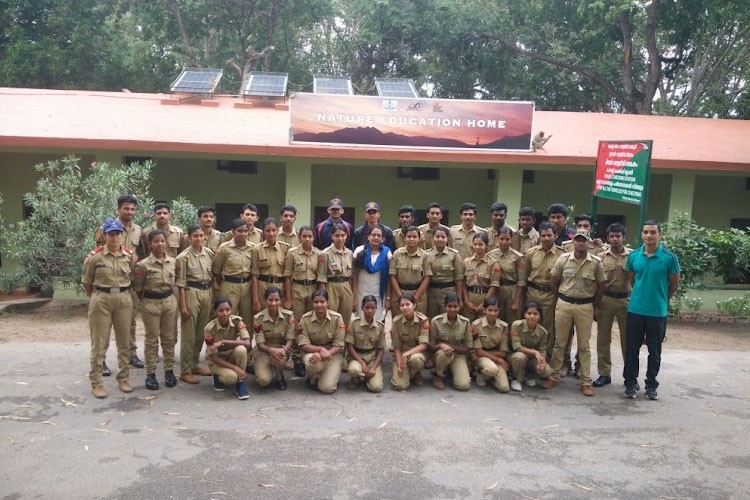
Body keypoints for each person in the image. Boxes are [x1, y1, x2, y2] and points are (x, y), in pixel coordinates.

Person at [543, 230, 606, 396]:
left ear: (588, 243)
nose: (580, 243)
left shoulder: (596, 263)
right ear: (573, 242)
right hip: (564, 304)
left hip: (585, 306)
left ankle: (585, 381)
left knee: (584, 346)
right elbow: (554, 281)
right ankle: (554, 376)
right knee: (559, 342)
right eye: (577, 240)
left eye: (583, 241)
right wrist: (561, 299)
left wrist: (594, 304)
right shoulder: (563, 260)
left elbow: (601, 286)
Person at [623, 220, 680, 400]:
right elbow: (632, 280)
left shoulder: (669, 258)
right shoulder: (634, 257)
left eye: (652, 232)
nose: (649, 235)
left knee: (654, 351)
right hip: (636, 310)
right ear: (641, 234)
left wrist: (661, 299)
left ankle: (651, 385)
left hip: (657, 312)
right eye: (645, 232)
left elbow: (673, 284)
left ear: (659, 235)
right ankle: (631, 383)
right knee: (632, 349)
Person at [82, 218, 136, 398]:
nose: (114, 238)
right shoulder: (95, 257)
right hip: (101, 299)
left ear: (122, 235)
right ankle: (96, 382)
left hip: (123, 298)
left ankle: (124, 378)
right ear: (105, 236)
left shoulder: (129, 256)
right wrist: (98, 296)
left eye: (117, 234)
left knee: (124, 341)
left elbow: (134, 278)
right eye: (111, 234)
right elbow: (87, 282)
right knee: (99, 343)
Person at [95, 194, 144, 371]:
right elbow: (98, 252)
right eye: (126, 208)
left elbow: (141, 255)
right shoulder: (106, 228)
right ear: (118, 209)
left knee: (130, 322)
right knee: (104, 324)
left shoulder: (138, 230)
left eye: (132, 209)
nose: (129, 212)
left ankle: (131, 354)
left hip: (128, 283)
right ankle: (101, 360)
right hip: (108, 281)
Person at [133, 230, 178, 390]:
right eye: (156, 241)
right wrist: (145, 302)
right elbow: (138, 287)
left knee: (168, 338)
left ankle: (169, 370)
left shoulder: (173, 262)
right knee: (151, 340)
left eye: (162, 241)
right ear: (150, 244)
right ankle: (150, 373)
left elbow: (176, 281)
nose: (160, 244)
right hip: (151, 303)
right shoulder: (143, 265)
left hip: (169, 302)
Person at [593, 223, 632, 387]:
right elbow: (595, 281)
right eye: (612, 236)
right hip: (606, 300)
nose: (615, 239)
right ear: (608, 238)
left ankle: (630, 375)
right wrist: (595, 304)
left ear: (624, 238)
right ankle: (604, 373)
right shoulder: (601, 256)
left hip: (626, 300)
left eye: (618, 236)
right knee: (603, 339)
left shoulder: (632, 256)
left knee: (628, 340)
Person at [176, 224, 214, 384]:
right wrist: (183, 307)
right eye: (195, 236)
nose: (198, 239)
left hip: (207, 292)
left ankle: (195, 364)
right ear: (189, 237)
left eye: (201, 236)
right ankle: (185, 370)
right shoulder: (183, 257)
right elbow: (181, 284)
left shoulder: (209, 254)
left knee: (200, 333)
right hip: (191, 293)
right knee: (188, 335)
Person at [522, 222, 564, 360]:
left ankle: (546, 358)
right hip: (532, 293)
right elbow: (525, 275)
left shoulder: (562, 255)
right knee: (530, 326)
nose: (546, 238)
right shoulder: (531, 253)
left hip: (550, 295)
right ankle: (529, 358)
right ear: (539, 236)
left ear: (555, 235)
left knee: (548, 328)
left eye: (549, 235)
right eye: (543, 235)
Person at [283, 225, 321, 377]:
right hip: (297, 289)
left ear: (313, 238)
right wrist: (288, 297)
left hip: (313, 290)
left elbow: (320, 276)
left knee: (311, 323)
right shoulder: (292, 254)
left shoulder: (319, 254)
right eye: (304, 236)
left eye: (309, 236)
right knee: (298, 325)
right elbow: (287, 276)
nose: (307, 239)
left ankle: (310, 356)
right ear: (299, 237)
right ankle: (298, 359)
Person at [297, 289, 346, 394]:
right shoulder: (305, 319)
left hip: (332, 355)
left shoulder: (337, 318)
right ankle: (312, 378)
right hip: (312, 353)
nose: (319, 305)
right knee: (312, 363)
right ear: (312, 303)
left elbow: (339, 345)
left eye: (322, 302)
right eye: (316, 302)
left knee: (327, 388)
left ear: (327, 303)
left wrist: (325, 354)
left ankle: (327, 374)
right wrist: (320, 350)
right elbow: (304, 345)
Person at [204, 297, 251, 400]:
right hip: (216, 360)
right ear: (215, 312)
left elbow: (247, 343)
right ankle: (217, 375)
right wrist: (236, 368)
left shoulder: (237, 321)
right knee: (231, 378)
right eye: (221, 310)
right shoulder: (210, 329)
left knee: (241, 349)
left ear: (231, 309)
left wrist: (224, 342)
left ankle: (240, 383)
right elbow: (215, 358)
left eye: (227, 310)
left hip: (230, 355)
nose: (225, 314)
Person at [252, 286, 296, 390]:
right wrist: (272, 350)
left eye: (277, 300)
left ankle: (279, 377)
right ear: (265, 300)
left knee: (280, 357)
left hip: (281, 350)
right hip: (263, 351)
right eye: (270, 300)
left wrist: (283, 350)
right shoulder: (258, 318)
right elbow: (260, 345)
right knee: (263, 381)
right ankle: (267, 368)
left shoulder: (288, 316)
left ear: (281, 301)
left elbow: (290, 340)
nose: (273, 303)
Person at [212, 218, 255, 324]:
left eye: (245, 231)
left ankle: (246, 340)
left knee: (247, 318)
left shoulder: (252, 248)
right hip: (229, 286)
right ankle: (228, 340)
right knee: (228, 317)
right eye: (239, 231)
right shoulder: (224, 248)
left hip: (247, 286)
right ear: (233, 232)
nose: (243, 234)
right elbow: (217, 271)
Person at [429, 293, 473, 391]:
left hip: (458, 355)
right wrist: (441, 345)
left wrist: (449, 346)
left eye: (455, 306)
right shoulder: (436, 321)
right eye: (449, 306)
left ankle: (450, 371)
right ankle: (438, 375)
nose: (452, 309)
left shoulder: (465, 322)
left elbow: (468, 349)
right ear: (445, 307)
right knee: (444, 354)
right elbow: (430, 346)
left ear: (459, 307)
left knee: (463, 385)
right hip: (441, 354)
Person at [508, 301, 553, 391]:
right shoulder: (517, 325)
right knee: (520, 357)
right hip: (514, 356)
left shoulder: (542, 332)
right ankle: (516, 379)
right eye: (529, 313)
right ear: (524, 314)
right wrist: (535, 352)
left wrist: (542, 362)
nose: (532, 317)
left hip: (530, 358)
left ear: (540, 316)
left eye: (535, 314)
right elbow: (517, 347)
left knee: (547, 371)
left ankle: (529, 375)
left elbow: (542, 350)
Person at [346, 295, 386, 392]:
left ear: (376, 308)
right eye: (367, 307)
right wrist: (362, 363)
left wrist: (374, 366)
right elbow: (349, 346)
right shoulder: (354, 323)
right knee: (354, 370)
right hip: (357, 356)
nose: (370, 310)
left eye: (373, 308)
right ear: (362, 308)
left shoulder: (380, 326)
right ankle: (356, 377)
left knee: (376, 387)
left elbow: (381, 349)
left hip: (372, 358)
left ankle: (368, 376)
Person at [389, 226, 432, 317]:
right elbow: (393, 276)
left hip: (418, 296)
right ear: (405, 238)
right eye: (409, 237)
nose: (411, 239)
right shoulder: (397, 254)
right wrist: (401, 297)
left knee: (418, 322)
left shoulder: (424, 256)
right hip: (399, 293)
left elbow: (427, 277)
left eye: (414, 237)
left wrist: (415, 298)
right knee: (398, 322)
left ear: (419, 239)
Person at [390, 294, 430, 391]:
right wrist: (400, 365)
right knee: (401, 386)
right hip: (402, 354)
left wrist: (406, 355)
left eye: (408, 304)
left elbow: (424, 345)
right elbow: (397, 347)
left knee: (416, 359)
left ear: (414, 305)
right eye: (402, 305)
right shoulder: (396, 322)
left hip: (417, 354)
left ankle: (416, 372)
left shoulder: (423, 320)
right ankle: (407, 372)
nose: (405, 307)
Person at [317, 223, 355, 326]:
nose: (340, 238)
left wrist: (352, 293)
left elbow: (351, 276)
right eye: (337, 235)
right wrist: (322, 297)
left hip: (346, 286)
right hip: (331, 287)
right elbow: (322, 277)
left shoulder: (349, 253)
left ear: (346, 236)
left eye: (343, 235)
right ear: (332, 236)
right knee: (331, 316)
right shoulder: (325, 254)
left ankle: (343, 340)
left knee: (346, 316)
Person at [471, 296, 510, 393]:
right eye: (489, 310)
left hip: (493, 355)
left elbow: (503, 352)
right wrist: (498, 359)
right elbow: (478, 351)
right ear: (484, 310)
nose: (492, 313)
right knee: (491, 369)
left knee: (504, 388)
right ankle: (480, 373)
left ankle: (490, 378)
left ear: (499, 311)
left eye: (495, 310)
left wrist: (498, 358)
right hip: (482, 357)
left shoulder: (504, 327)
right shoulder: (476, 325)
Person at [352, 226, 392, 321]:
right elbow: (354, 276)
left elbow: (390, 278)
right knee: (361, 322)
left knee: (377, 322)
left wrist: (388, 298)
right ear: (368, 237)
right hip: (361, 293)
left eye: (379, 235)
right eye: (373, 235)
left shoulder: (387, 253)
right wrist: (354, 297)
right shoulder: (360, 251)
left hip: (379, 295)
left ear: (383, 239)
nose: (376, 237)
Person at [487, 226, 526, 323]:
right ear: (497, 239)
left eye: (507, 239)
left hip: (512, 291)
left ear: (511, 240)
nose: (504, 242)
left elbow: (521, 281)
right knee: (496, 320)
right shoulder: (490, 255)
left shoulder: (517, 257)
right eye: (502, 239)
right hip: (496, 290)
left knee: (512, 320)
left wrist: (516, 301)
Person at [251, 217, 290, 314]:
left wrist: (288, 296)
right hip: (263, 287)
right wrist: (256, 300)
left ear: (278, 231)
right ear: (263, 232)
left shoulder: (285, 248)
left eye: (274, 230)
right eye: (268, 231)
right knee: (262, 316)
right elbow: (254, 275)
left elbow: (288, 275)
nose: (271, 233)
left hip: (280, 287)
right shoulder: (257, 249)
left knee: (280, 316)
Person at [426, 227, 464, 319]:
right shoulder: (427, 255)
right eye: (437, 236)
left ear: (447, 239)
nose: (440, 239)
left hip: (448, 292)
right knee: (432, 319)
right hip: (432, 293)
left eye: (443, 237)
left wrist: (459, 298)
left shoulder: (454, 255)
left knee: (448, 318)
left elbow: (459, 278)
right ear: (433, 238)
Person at [461, 232, 500, 322]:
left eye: (480, 244)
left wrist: (484, 304)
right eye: (475, 244)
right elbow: (463, 283)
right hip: (470, 298)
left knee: (483, 326)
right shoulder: (466, 262)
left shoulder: (493, 263)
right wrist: (467, 302)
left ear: (486, 246)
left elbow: (494, 285)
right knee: (468, 327)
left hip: (485, 298)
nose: (477, 247)